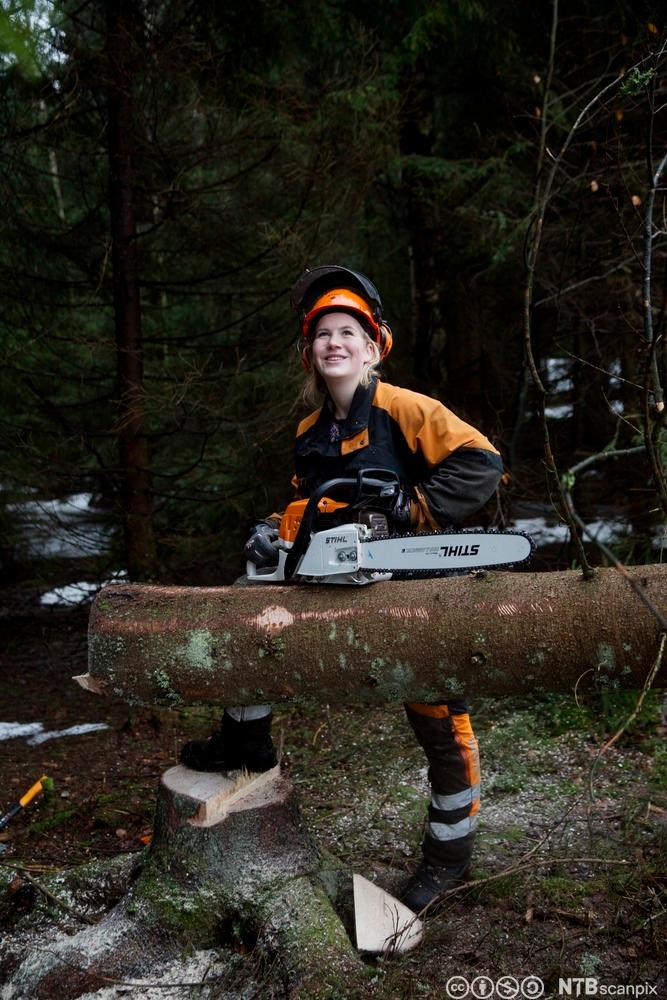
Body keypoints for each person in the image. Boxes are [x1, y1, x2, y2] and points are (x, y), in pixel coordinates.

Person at [181, 265, 503, 910]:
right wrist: (275, 529)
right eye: (323, 334)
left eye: (347, 332)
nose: (334, 343)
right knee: (250, 612)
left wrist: (411, 508)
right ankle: (246, 738)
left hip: (410, 585)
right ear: (311, 352)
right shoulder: (309, 433)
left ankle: (449, 857)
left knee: (441, 722)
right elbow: (312, 506)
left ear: (372, 344)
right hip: (334, 583)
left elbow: (483, 463)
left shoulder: (404, 408)